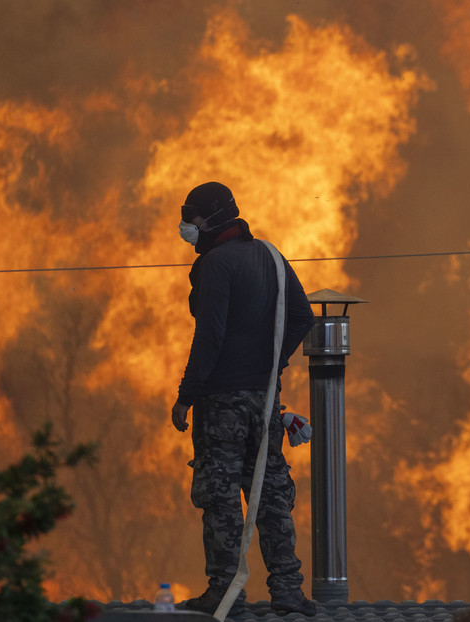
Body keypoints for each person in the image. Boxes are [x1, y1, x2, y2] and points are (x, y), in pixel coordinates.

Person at [169, 181, 316, 617]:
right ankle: (288, 592)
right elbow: (303, 317)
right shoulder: (272, 256)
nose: (186, 227)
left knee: (219, 495)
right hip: (266, 398)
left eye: (190, 218)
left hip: (222, 403)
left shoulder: (216, 265)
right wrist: (272, 365)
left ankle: (225, 593)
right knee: (269, 491)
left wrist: (186, 396)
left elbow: (209, 336)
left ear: (210, 219)